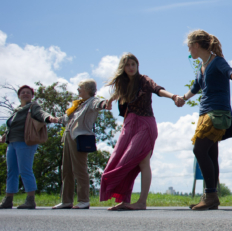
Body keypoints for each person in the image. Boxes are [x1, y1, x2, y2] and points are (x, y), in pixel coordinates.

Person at [100, 53, 184, 210]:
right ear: (123, 68)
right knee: (121, 159)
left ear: (137, 66)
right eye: (128, 65)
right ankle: (125, 201)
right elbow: (118, 93)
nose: (131, 67)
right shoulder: (123, 84)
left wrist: (173, 96)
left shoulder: (144, 80)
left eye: (133, 64)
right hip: (129, 124)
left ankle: (142, 202)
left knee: (142, 161)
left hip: (145, 124)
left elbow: (157, 89)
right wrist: (109, 101)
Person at [178, 30, 232, 211]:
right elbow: (195, 88)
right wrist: (182, 98)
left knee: (199, 149)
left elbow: (230, 72)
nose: (188, 50)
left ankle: (210, 194)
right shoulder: (202, 66)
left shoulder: (217, 61)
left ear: (195, 45)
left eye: (189, 46)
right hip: (204, 114)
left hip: (216, 113)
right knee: (211, 154)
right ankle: (212, 196)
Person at [52, 79, 109, 209]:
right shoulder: (78, 104)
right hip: (68, 135)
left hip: (80, 137)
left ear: (88, 89)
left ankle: (84, 200)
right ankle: (66, 201)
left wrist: (106, 104)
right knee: (65, 169)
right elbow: (67, 119)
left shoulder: (92, 101)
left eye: (80, 88)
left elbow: (100, 103)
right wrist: (54, 119)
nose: (78, 90)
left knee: (80, 169)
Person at [0, 85, 58, 209]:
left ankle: (30, 200)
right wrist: (4, 136)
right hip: (12, 143)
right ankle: (8, 199)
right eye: (23, 92)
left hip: (25, 142)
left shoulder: (33, 107)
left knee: (25, 170)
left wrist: (49, 118)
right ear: (19, 95)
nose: (25, 94)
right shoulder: (17, 110)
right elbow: (11, 126)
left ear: (32, 96)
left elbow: (41, 114)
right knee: (12, 172)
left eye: (28, 93)